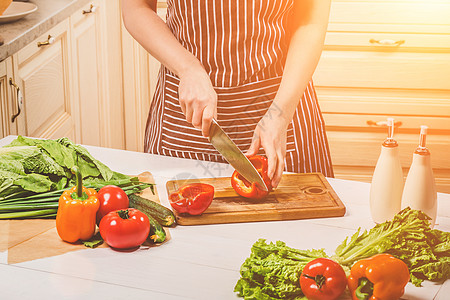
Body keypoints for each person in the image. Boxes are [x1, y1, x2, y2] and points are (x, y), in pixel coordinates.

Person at [122, 0, 334, 188]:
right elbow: (135, 7)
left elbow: (311, 21)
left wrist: (281, 113)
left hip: (282, 102)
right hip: (185, 117)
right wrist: (187, 68)